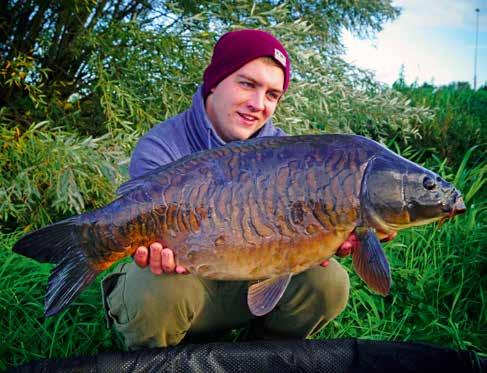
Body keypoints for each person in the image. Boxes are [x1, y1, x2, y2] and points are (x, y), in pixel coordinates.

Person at [102, 29, 389, 350]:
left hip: (253, 279)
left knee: (329, 281)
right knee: (152, 289)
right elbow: (144, 236)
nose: (257, 104)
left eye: (272, 95)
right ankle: (158, 358)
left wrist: (327, 236)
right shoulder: (163, 146)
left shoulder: (286, 154)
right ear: (215, 81)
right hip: (185, 283)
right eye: (247, 84)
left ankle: (262, 354)